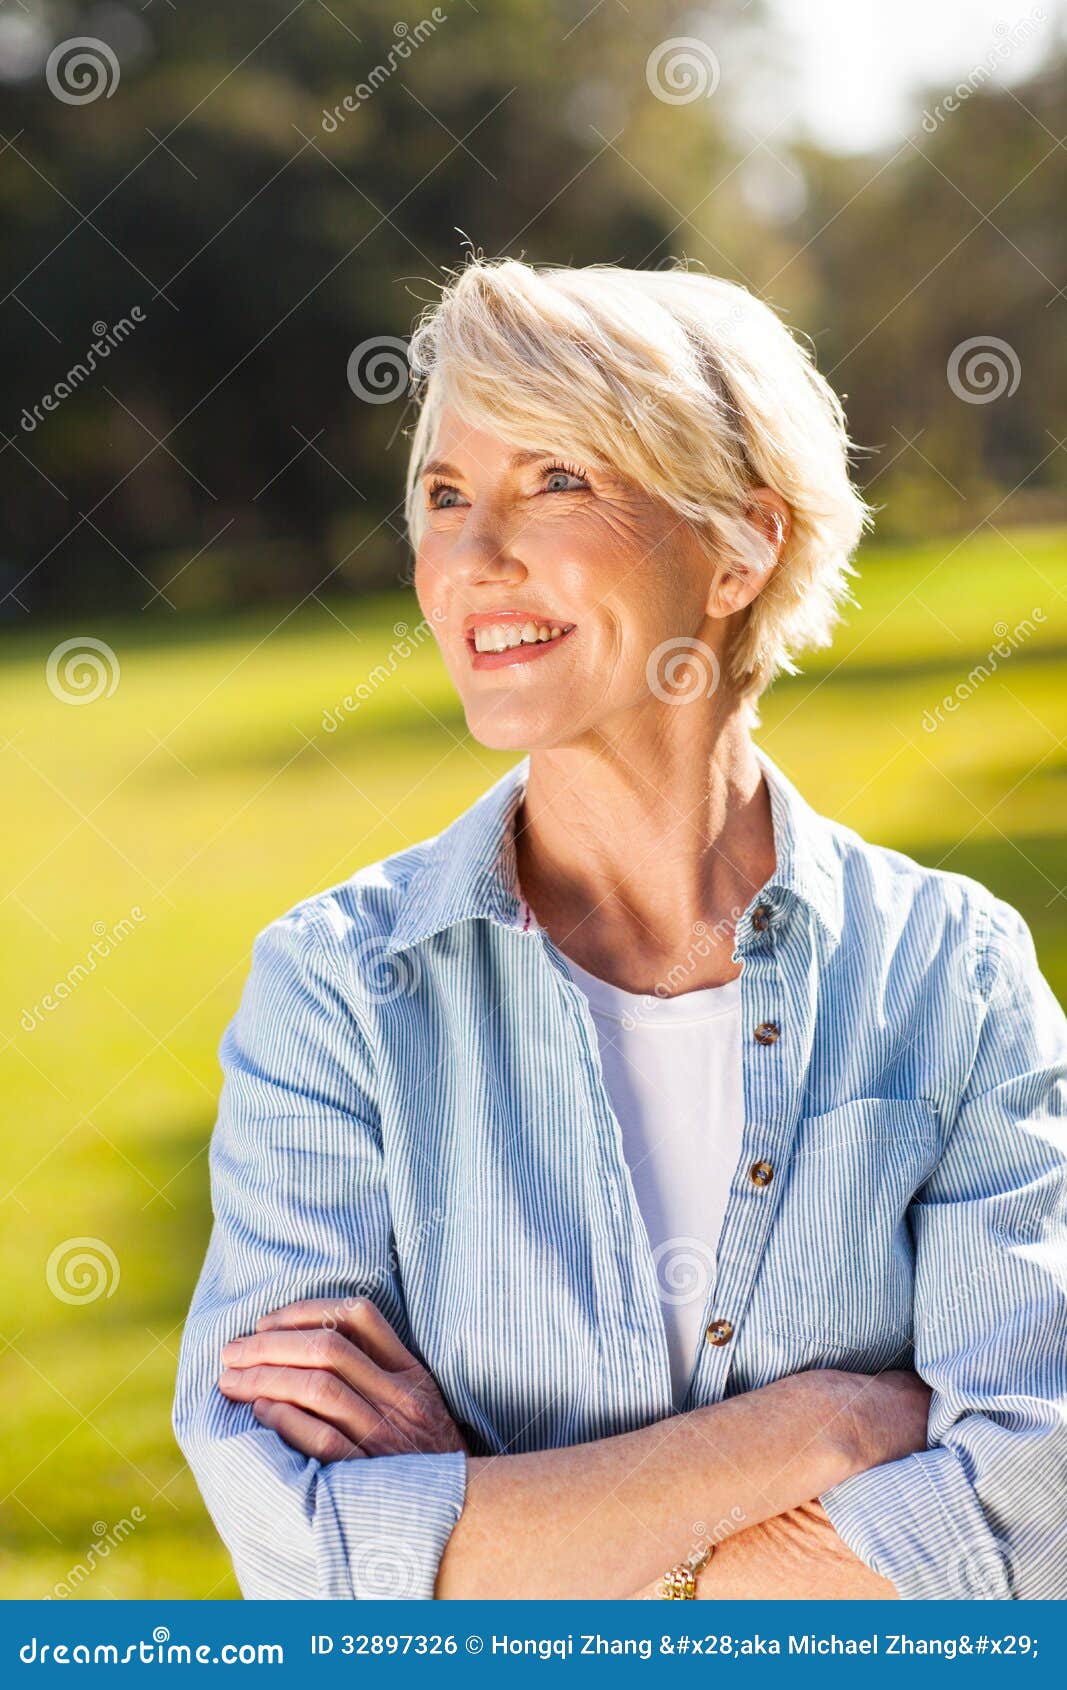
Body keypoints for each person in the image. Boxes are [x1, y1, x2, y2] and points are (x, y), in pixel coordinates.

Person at [174, 259, 1067, 1601]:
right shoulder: (337, 991)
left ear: (743, 543)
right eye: (445, 495)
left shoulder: (956, 975)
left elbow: (1028, 1519)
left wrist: (480, 1510)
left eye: (558, 480)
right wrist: (825, 1424)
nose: (473, 559)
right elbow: (303, 1552)